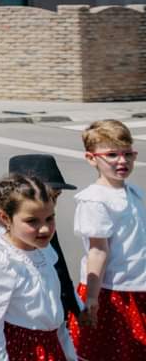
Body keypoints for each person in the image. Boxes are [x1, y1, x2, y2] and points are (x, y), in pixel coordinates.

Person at [0, 174, 77, 361]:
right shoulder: (2, 261)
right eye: (32, 221)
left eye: (49, 218)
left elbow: (55, 311)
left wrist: (69, 354)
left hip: (51, 347)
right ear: (5, 218)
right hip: (23, 351)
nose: (44, 229)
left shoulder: (44, 251)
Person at [67, 120, 144, 360]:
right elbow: (98, 251)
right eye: (112, 154)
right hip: (112, 291)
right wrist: (91, 297)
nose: (122, 161)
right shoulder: (95, 200)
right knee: (111, 351)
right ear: (92, 159)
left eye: (127, 154)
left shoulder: (132, 191)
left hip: (137, 285)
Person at [8, 154, 81, 321]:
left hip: (52, 318)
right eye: (48, 196)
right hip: (25, 325)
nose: (52, 204)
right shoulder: (5, 248)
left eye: (56, 197)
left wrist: (73, 307)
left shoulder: (44, 225)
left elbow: (59, 266)